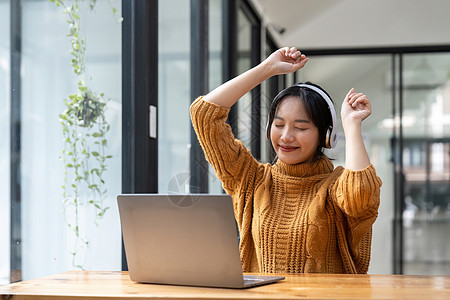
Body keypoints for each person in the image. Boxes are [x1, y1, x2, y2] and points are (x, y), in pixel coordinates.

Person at [190, 47, 382, 274]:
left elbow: (361, 197)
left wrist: (352, 126)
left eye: (301, 127)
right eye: (279, 125)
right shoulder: (251, 180)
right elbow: (204, 114)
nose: (286, 136)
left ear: (326, 136)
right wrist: (267, 68)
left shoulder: (337, 187)